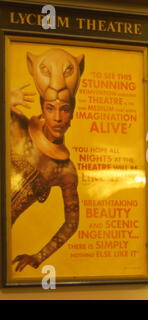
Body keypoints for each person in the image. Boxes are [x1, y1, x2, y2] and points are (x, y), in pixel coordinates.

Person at [10, 48, 84, 272]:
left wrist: (38, 256)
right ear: (42, 109)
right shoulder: (19, 126)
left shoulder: (65, 170)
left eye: (65, 110)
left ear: (72, 115)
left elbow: (71, 223)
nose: (58, 117)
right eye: (50, 108)